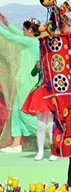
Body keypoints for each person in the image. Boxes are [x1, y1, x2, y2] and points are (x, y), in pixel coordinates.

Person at [0, 14, 39, 153]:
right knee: (16, 110)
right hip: (23, 81)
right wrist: (7, 24)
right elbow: (18, 35)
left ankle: (50, 135)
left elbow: (12, 38)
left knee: (24, 113)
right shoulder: (32, 40)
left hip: (28, 82)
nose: (22, 31)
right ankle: (16, 143)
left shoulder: (32, 42)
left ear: (29, 30)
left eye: (24, 29)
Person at [21, 61, 57, 161]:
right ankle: (40, 151)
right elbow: (33, 73)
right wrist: (37, 68)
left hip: (51, 92)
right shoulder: (40, 62)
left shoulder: (55, 60)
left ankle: (54, 151)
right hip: (40, 93)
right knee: (40, 125)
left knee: (51, 126)